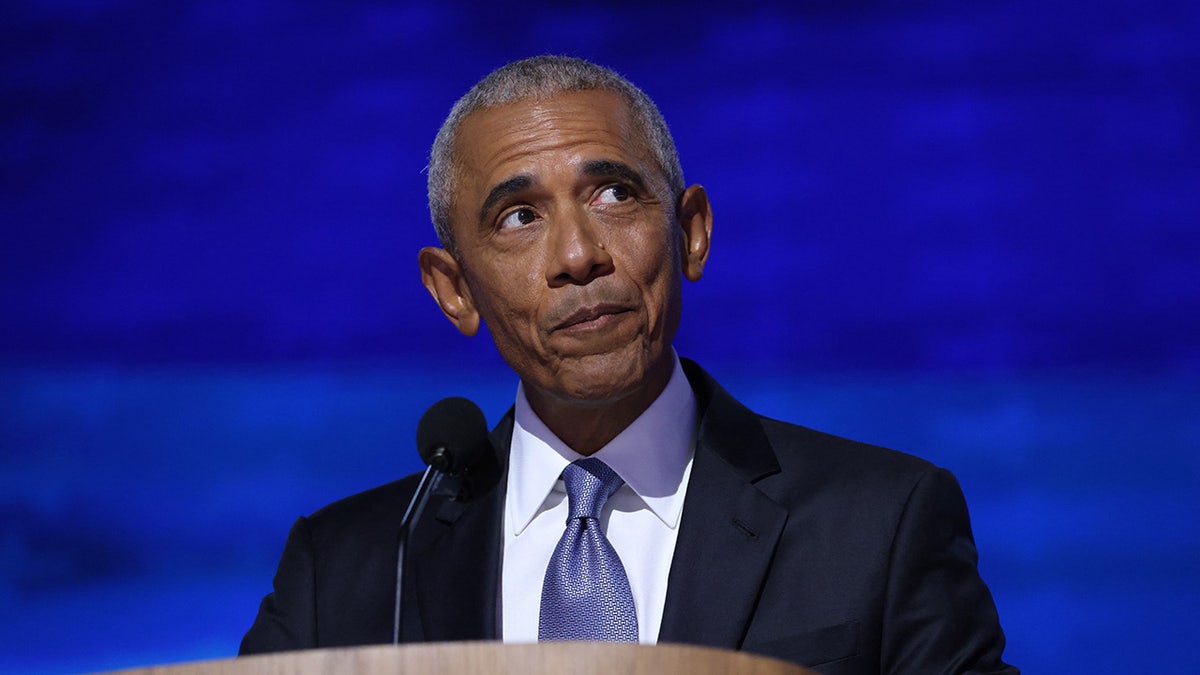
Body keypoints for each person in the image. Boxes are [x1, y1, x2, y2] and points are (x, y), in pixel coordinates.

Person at [240, 55, 1017, 674]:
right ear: (454, 290)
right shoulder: (350, 567)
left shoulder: (882, 523)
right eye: (519, 217)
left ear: (692, 234)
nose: (579, 256)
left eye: (614, 194)